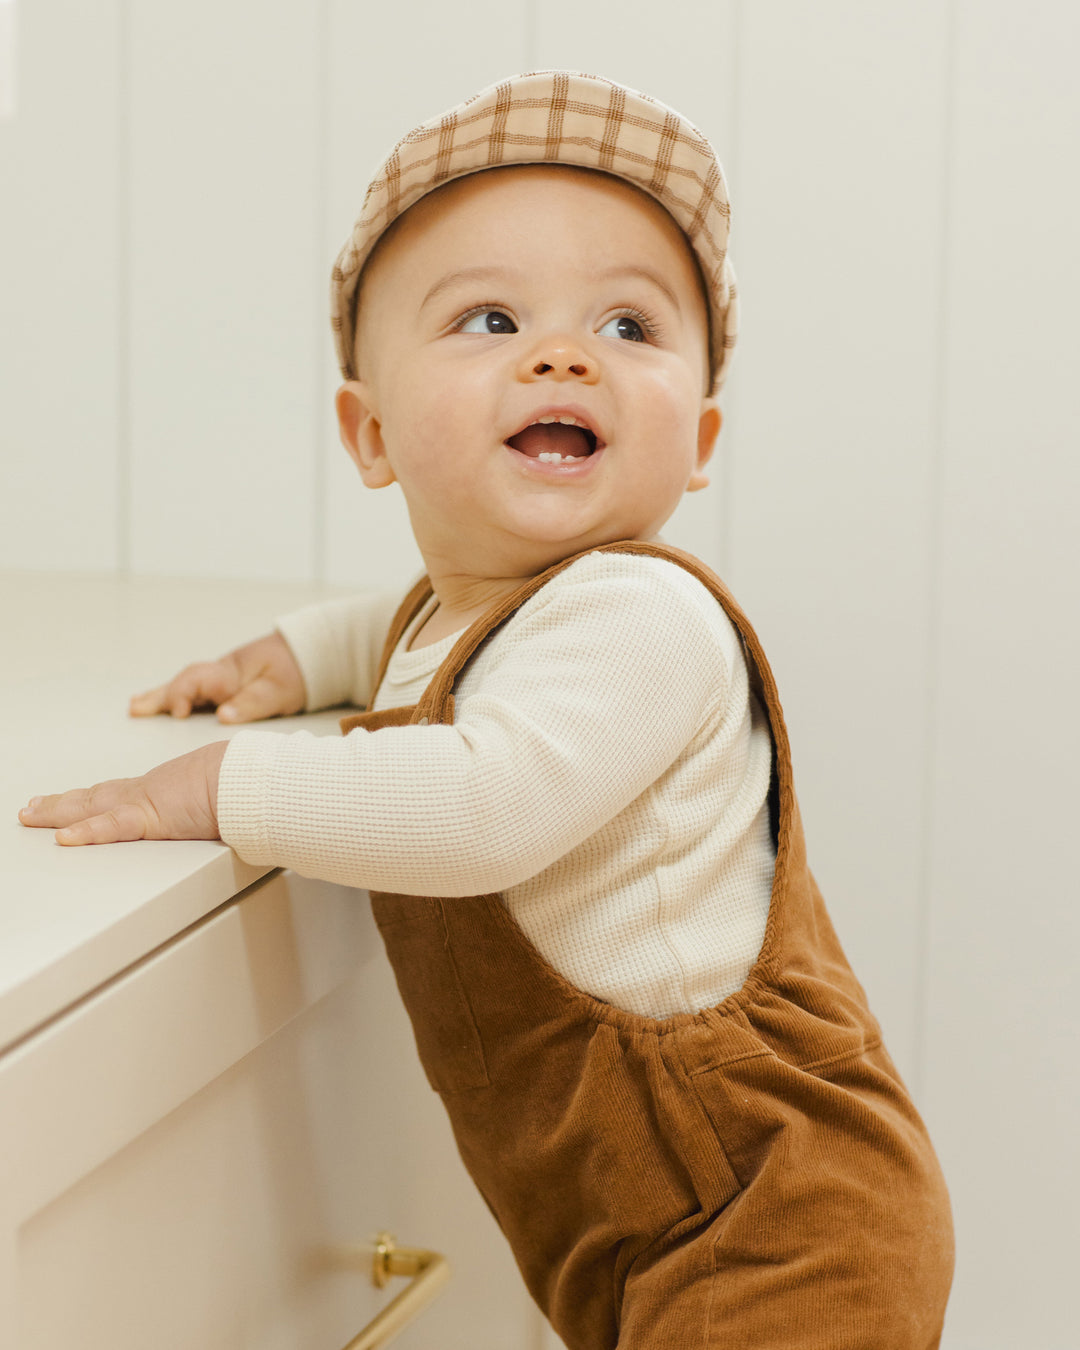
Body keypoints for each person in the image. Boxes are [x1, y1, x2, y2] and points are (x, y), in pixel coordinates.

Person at [19, 71, 954, 1347]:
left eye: (629, 326)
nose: (564, 353)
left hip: (773, 1215)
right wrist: (297, 657)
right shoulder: (470, 609)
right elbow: (409, 637)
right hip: (635, 1213)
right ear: (373, 434)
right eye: (490, 317)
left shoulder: (644, 619)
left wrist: (216, 789)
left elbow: (480, 805)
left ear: (701, 438)